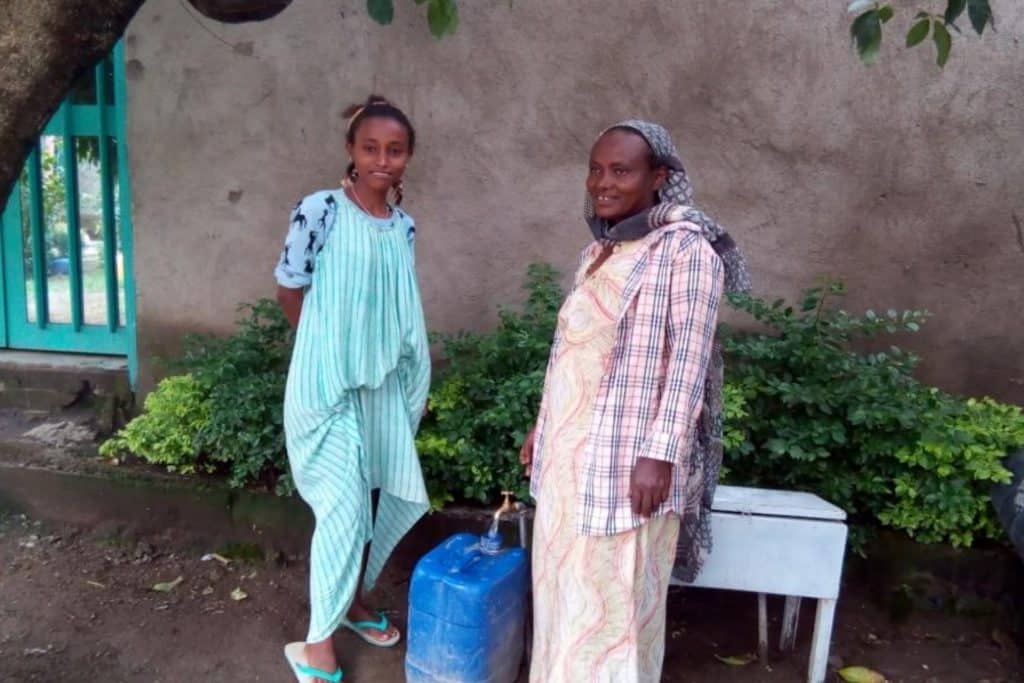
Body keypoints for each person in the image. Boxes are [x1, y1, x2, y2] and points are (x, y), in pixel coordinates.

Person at [519, 120, 751, 683]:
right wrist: (541, 427)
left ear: (659, 178)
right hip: (569, 463)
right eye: (596, 169)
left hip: (629, 468)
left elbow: (689, 364)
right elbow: (575, 352)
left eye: (621, 170)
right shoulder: (598, 250)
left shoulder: (687, 251)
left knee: (613, 612)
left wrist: (661, 454)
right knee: (563, 602)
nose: (603, 182)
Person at [275, 95, 430, 683]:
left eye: (394, 150)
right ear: (351, 151)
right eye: (370, 148)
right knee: (341, 508)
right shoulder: (321, 211)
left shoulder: (404, 227)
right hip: (328, 388)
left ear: (408, 158)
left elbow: (396, 307)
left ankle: (353, 603)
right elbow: (291, 287)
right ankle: (315, 646)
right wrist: (322, 353)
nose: (382, 160)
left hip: (381, 388)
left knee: (368, 497)